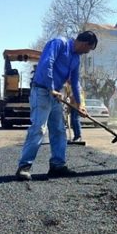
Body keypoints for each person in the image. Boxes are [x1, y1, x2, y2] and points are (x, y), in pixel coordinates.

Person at [15, 31, 98, 181]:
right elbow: (47, 63)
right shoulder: (59, 43)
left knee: (59, 130)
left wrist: (80, 105)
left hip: (56, 95)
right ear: (84, 43)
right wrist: (51, 87)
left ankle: (57, 165)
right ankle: (24, 166)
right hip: (41, 90)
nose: (86, 52)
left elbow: (74, 82)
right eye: (88, 49)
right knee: (39, 128)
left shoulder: (76, 58)